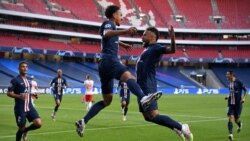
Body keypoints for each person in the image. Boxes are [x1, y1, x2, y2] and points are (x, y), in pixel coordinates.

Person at [75, 5, 162, 137]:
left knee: (107, 100)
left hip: (103, 64)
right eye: (120, 14)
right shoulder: (109, 24)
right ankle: (143, 98)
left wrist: (122, 44)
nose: (122, 17)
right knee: (130, 78)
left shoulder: (110, 27)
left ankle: (83, 121)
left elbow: (108, 39)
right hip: (110, 60)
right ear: (114, 15)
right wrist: (126, 31)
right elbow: (107, 34)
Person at [135, 26, 193, 141]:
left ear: (152, 37)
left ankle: (182, 126)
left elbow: (172, 50)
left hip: (147, 84)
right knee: (147, 117)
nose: (142, 37)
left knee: (153, 115)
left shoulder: (156, 47)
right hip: (140, 86)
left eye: (144, 34)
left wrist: (172, 38)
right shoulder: (147, 49)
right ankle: (175, 127)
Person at [7, 61, 42, 141]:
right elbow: (9, 93)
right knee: (21, 129)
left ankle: (26, 131)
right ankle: (22, 132)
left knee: (38, 123)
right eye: (23, 67)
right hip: (20, 108)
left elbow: (28, 93)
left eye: (26, 67)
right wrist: (18, 96)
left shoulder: (29, 81)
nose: (25, 68)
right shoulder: (15, 80)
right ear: (19, 68)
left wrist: (34, 95)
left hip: (30, 107)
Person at [225, 70, 247, 141]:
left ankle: (240, 124)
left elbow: (246, 90)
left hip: (238, 104)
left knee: (236, 119)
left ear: (231, 75)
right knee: (230, 118)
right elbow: (231, 92)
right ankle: (230, 134)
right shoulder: (229, 84)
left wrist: (243, 98)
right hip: (230, 104)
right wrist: (228, 96)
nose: (226, 76)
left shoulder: (238, 82)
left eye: (227, 74)